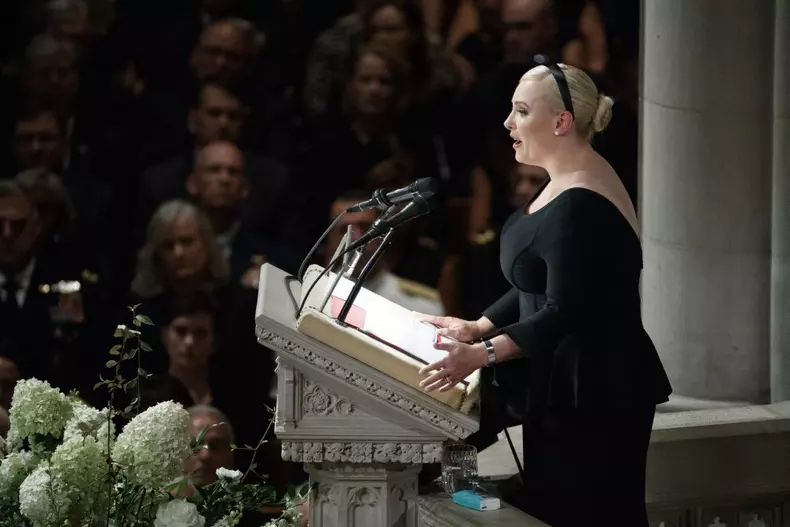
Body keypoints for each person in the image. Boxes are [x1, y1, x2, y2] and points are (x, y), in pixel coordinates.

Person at [417, 62, 672, 527]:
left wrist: (481, 354)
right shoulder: (566, 180)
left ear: (561, 121)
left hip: (594, 392)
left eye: (521, 111)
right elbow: (534, 282)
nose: (508, 123)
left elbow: (563, 310)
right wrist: (477, 326)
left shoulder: (581, 203)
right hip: (566, 384)